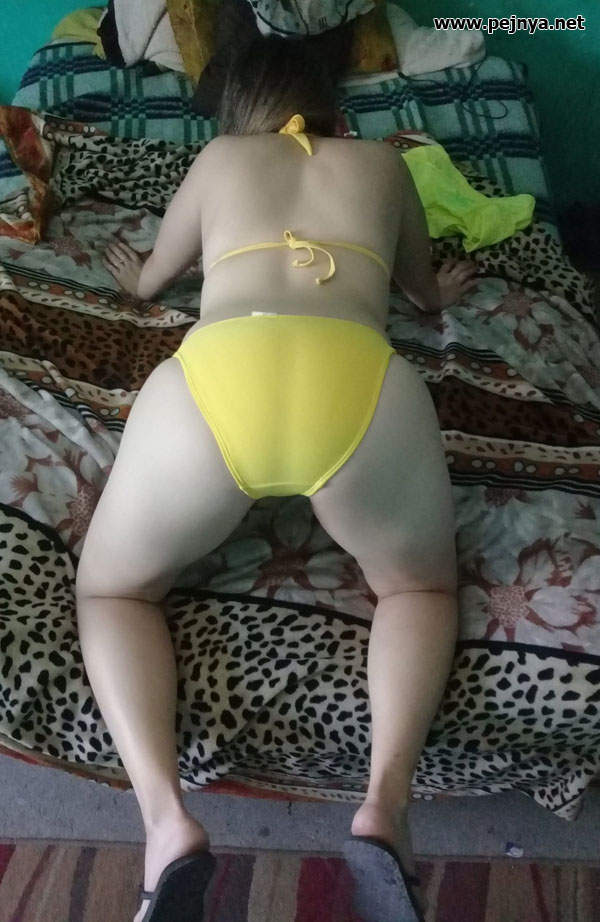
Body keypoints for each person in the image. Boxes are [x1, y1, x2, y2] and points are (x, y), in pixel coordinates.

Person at [76, 34, 477, 922]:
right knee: (417, 588)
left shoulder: (220, 158)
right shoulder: (384, 165)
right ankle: (385, 807)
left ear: (236, 111)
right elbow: (420, 291)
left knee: (111, 592)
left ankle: (166, 823)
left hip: (219, 380)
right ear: (336, 107)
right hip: (359, 385)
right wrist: (443, 292)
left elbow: (153, 280)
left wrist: (135, 279)